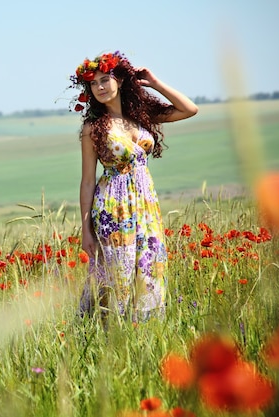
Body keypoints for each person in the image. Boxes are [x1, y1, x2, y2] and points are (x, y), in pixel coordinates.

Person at [71, 51, 198, 323]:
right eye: (93, 84)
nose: (100, 87)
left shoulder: (140, 116)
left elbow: (189, 109)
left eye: (105, 80)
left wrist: (155, 83)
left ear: (120, 81)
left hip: (145, 206)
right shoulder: (93, 129)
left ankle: (142, 334)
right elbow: (88, 181)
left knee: (149, 267)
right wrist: (86, 230)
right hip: (112, 208)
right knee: (117, 274)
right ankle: (103, 333)